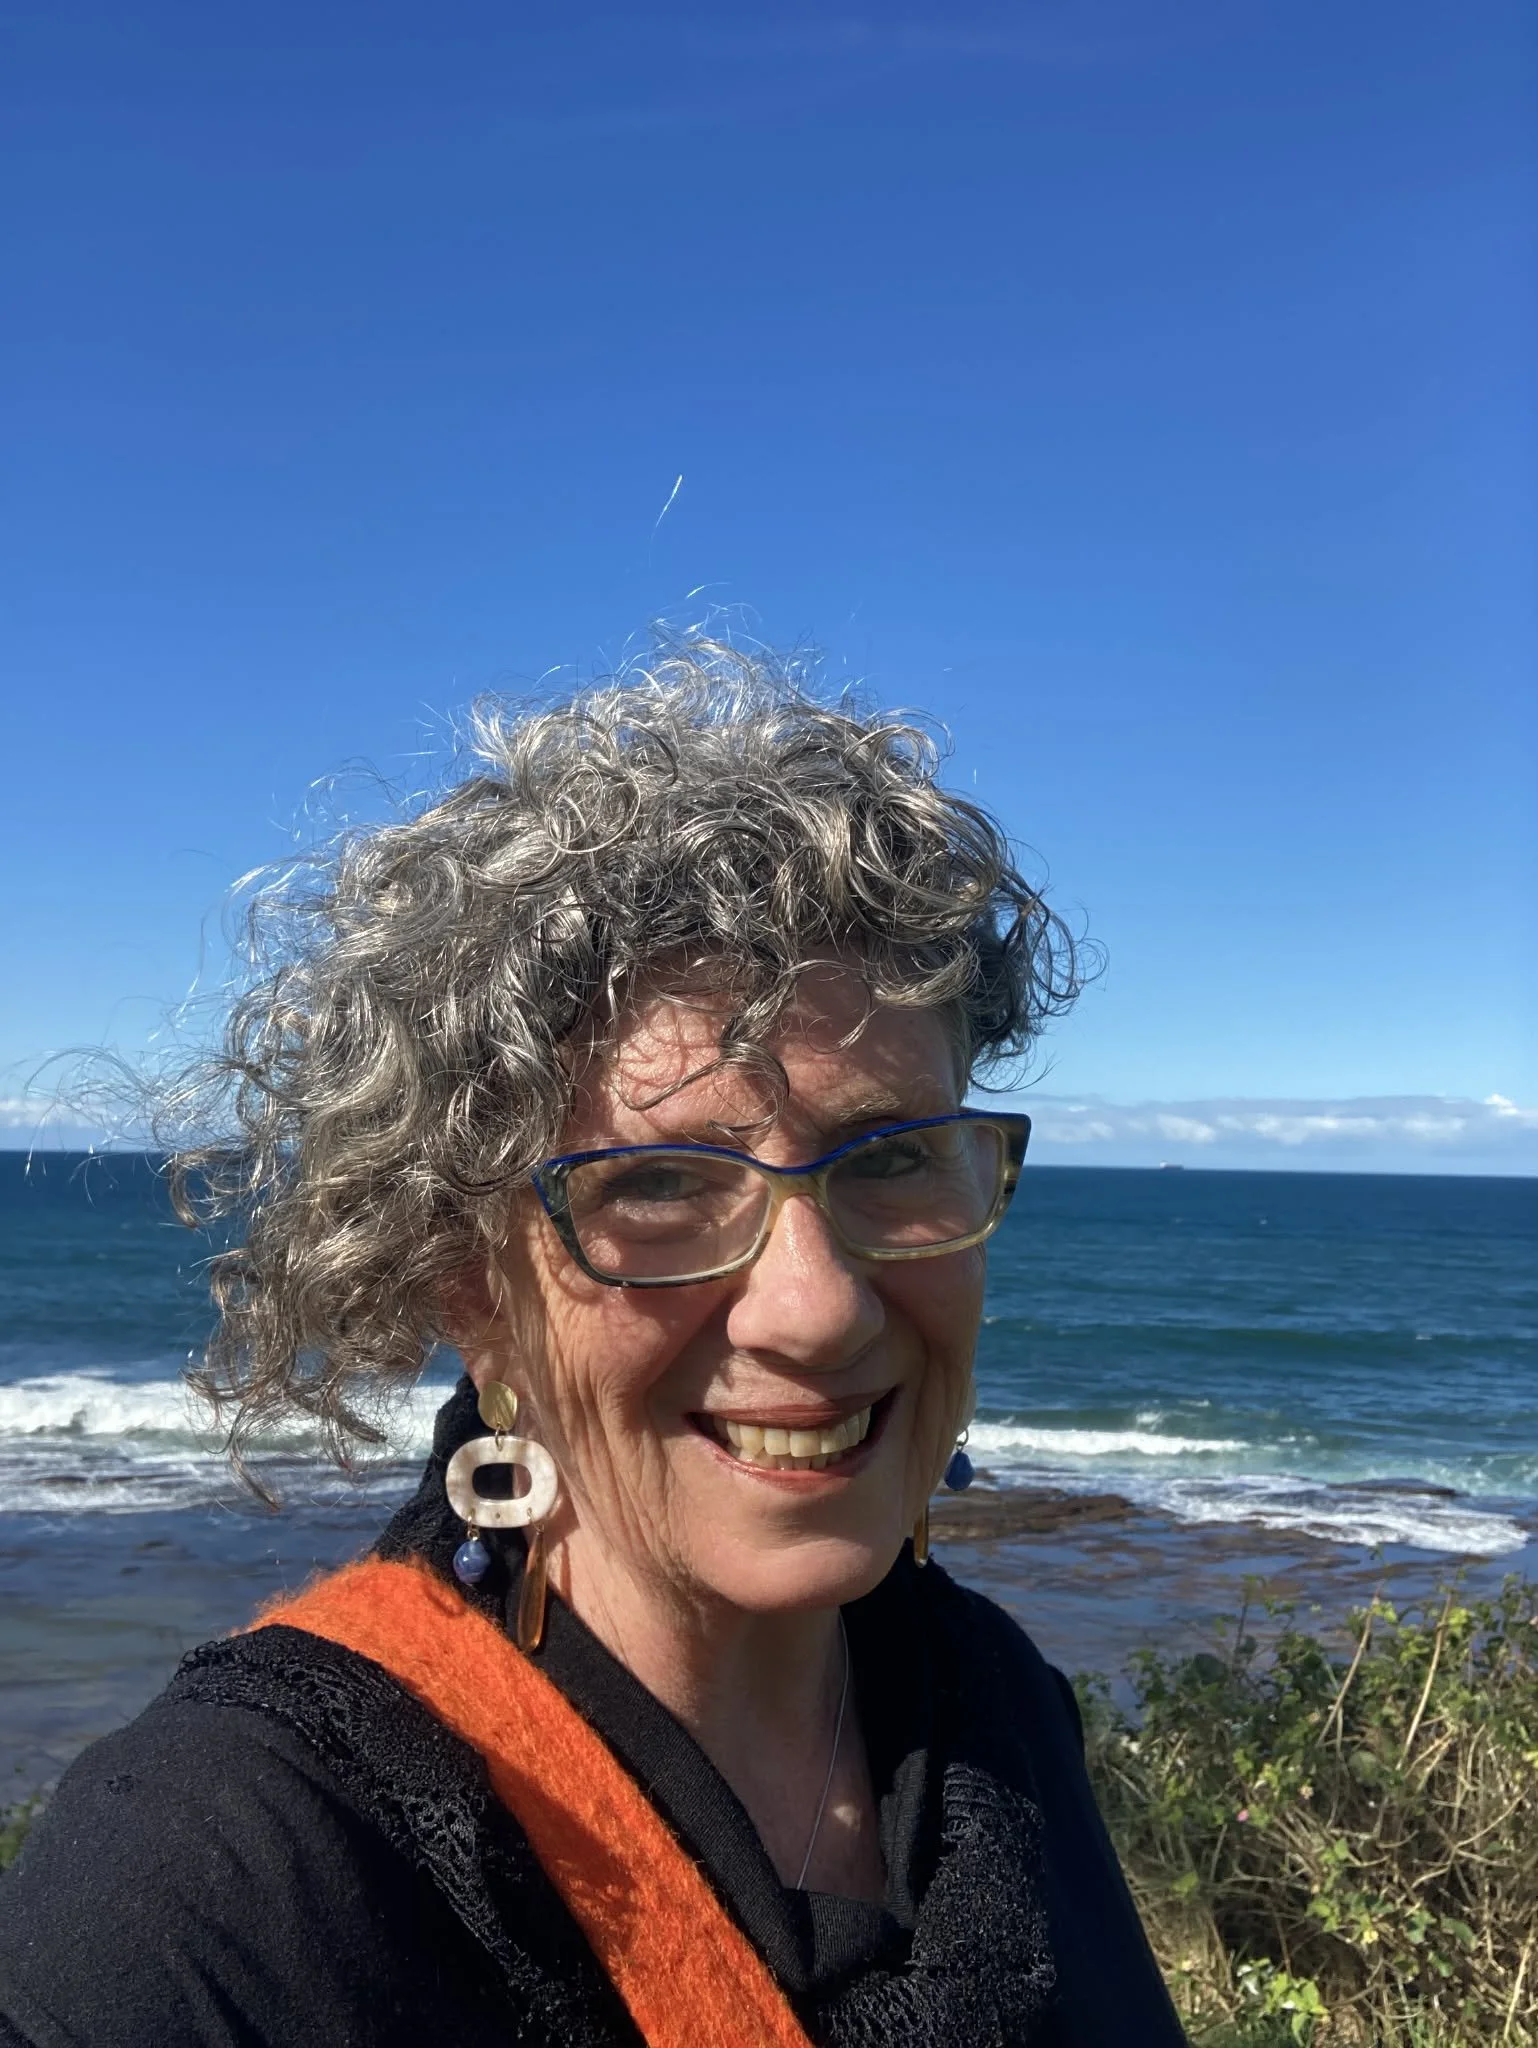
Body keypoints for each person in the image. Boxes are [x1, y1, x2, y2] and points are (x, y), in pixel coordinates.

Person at [0, 643, 1186, 2046]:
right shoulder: (218, 1876)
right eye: (659, 1184)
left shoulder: (999, 1712)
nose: (818, 1308)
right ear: (468, 1285)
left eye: (891, 1159)